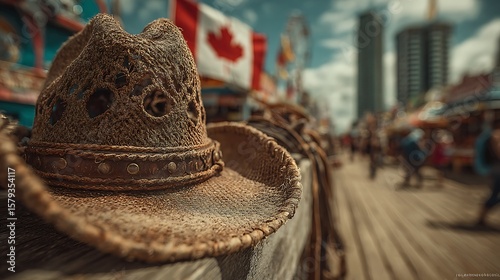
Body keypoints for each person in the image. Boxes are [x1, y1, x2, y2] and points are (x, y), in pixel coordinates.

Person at [475, 128, 500, 226]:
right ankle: (481, 216)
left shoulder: (493, 134)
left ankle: (482, 216)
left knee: (494, 193)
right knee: (495, 194)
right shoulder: (497, 135)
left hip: (495, 168)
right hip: (498, 169)